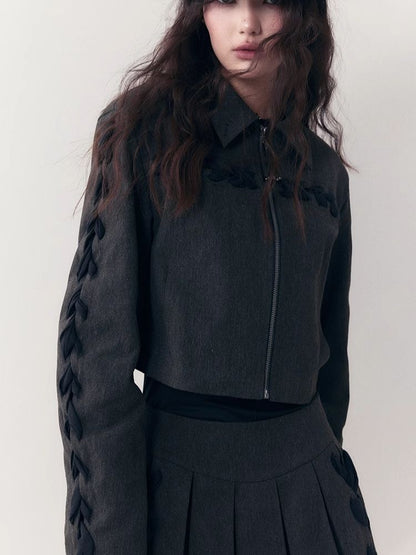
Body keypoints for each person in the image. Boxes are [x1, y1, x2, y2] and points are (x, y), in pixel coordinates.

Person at [56, 0, 378, 553]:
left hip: (313, 498)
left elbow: (332, 362)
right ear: (199, 12)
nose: (247, 23)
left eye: (269, 1)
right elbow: (94, 365)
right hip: (182, 497)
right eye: (226, 0)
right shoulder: (142, 138)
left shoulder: (323, 174)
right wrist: (108, 538)